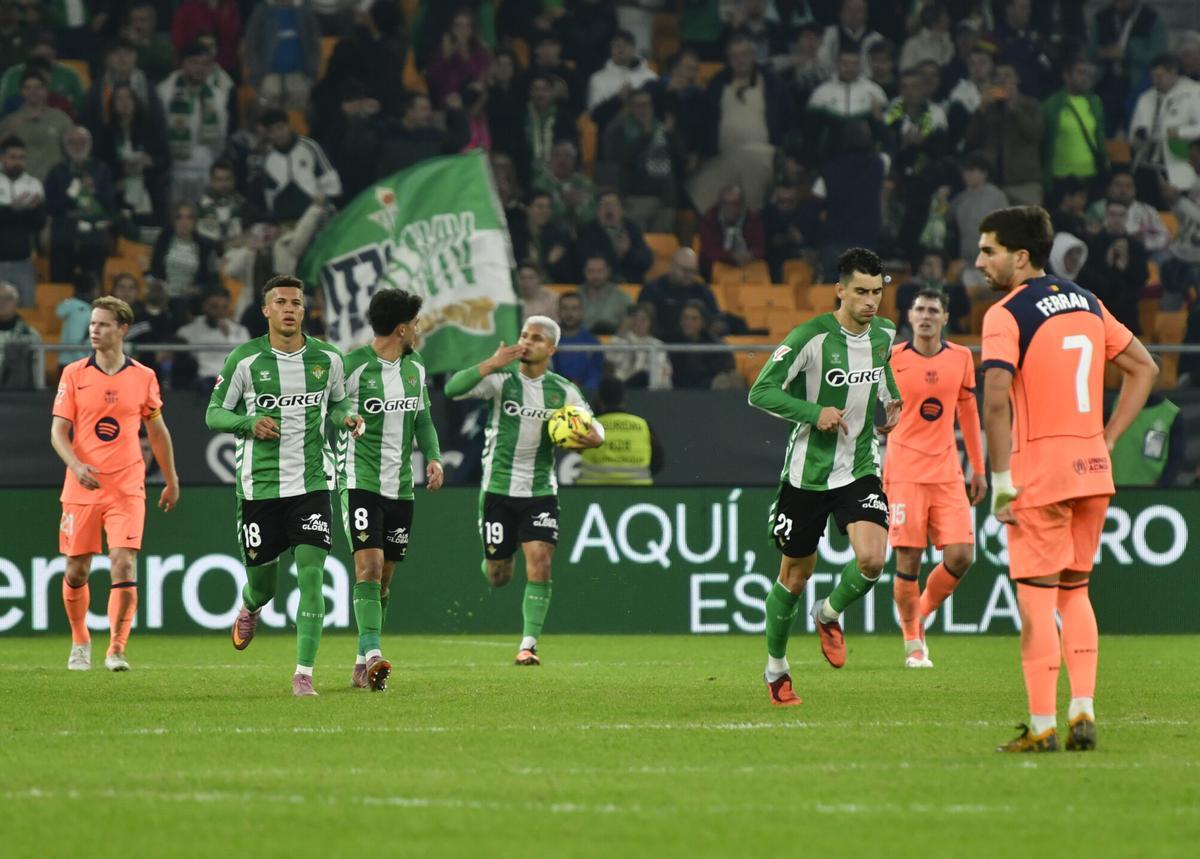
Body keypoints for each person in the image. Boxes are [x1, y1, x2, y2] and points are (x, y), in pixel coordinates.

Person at [977, 205, 1158, 751]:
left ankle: (1042, 726)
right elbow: (1144, 367)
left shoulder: (1006, 314)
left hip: (1039, 474)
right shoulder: (1087, 301)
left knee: (1036, 601)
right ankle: (1082, 709)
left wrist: (1002, 477)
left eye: (989, 251)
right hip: (1091, 471)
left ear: (1021, 256)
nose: (980, 262)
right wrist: (1106, 439)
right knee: (1075, 592)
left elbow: (994, 402)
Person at [747, 247, 902, 706]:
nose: (870, 301)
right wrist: (815, 413)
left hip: (858, 468)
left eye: (876, 292)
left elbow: (881, 375)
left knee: (873, 560)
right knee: (793, 578)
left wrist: (890, 404)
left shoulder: (885, 333)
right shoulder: (809, 338)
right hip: (806, 475)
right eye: (860, 291)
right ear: (840, 290)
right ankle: (776, 669)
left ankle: (829, 612)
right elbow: (760, 392)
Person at [205, 275, 364, 697]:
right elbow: (214, 415)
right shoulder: (244, 360)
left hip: (312, 482)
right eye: (281, 302)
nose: (290, 308)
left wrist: (347, 417)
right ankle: (251, 605)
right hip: (258, 489)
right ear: (266, 310)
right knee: (265, 585)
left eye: (296, 302)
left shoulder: (328, 358)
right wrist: (248, 423)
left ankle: (303, 674)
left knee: (312, 574)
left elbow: (338, 402)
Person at [444, 316, 605, 665]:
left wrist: (596, 437)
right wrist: (490, 364)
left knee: (541, 562)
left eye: (536, 338)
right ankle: (496, 560)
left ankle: (528, 645)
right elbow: (452, 389)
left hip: (540, 491)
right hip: (498, 489)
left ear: (551, 348)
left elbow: (593, 425)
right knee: (499, 575)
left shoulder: (563, 391)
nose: (527, 342)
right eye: (523, 335)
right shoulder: (499, 380)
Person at [50, 295, 180, 672]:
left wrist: (170, 479)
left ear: (123, 329)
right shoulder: (74, 373)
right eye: (93, 323)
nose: (94, 330)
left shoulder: (143, 376)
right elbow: (58, 431)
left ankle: (116, 649)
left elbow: (158, 431)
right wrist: (75, 465)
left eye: (103, 324)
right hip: (82, 486)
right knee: (77, 571)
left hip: (127, 486)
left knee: (123, 564)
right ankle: (80, 640)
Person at [340, 288, 443, 691]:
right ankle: (373, 654)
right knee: (367, 567)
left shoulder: (414, 368)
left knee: (384, 578)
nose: (418, 330)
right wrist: (346, 416)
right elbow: (331, 410)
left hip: (400, 487)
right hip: (359, 480)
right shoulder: (351, 367)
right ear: (401, 328)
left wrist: (433, 457)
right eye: (415, 324)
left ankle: (359, 662)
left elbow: (423, 420)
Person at [884, 287, 986, 668]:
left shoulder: (961, 358)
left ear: (945, 318)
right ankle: (913, 641)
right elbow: (866, 403)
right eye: (919, 310)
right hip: (905, 471)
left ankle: (919, 613)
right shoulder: (891, 358)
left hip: (946, 470)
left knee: (962, 555)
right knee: (908, 561)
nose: (926, 316)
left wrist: (978, 465)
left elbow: (969, 412)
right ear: (909, 317)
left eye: (933, 310)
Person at [1129, 55, 1200, 209]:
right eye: (1153, 76)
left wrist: (1180, 133)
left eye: (1160, 76)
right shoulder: (1146, 97)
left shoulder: (1194, 92)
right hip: (1146, 164)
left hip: (1177, 163)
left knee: (1177, 212)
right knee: (1144, 208)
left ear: (1173, 72)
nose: (1156, 80)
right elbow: (1133, 133)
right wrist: (1138, 136)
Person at [258, 108, 342, 223]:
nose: (278, 134)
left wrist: (324, 198)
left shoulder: (309, 147)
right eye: (272, 131)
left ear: (288, 126)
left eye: (280, 128)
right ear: (268, 134)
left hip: (317, 214)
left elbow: (330, 179)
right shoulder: (268, 160)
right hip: (287, 221)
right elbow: (270, 197)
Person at [1042, 57, 1108, 198]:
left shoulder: (1095, 102)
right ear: (1066, 76)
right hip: (1060, 176)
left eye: (1087, 73)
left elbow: (1100, 136)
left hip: (1090, 175)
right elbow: (1044, 139)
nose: (1085, 78)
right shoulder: (1052, 104)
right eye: (1080, 73)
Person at [578, 376, 662, 485]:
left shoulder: (588, 427)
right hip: (638, 494)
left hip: (593, 494)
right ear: (624, 399)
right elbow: (657, 464)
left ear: (599, 400)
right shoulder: (643, 426)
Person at [243, 0, 322, 111]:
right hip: (268, 77)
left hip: (299, 76)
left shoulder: (305, 10)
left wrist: (312, 70)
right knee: (269, 119)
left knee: (298, 121)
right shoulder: (262, 10)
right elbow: (251, 42)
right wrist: (257, 71)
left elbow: (315, 42)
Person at [0, 71, 73, 183]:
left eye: (38, 87)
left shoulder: (61, 119)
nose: (33, 92)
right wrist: (16, 125)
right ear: (21, 91)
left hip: (54, 185)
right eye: (28, 88)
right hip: (20, 185)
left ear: (46, 91)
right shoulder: (10, 120)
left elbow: (73, 151)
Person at [0, 135, 44, 307]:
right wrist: (17, 209)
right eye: (12, 157)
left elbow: (39, 223)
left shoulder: (33, 185)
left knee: (27, 309)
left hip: (23, 260)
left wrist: (9, 212)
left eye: (21, 157)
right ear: (2, 157)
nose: (17, 162)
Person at [637, 248, 718, 341]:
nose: (688, 274)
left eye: (692, 271)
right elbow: (643, 319)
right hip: (662, 343)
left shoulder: (702, 291)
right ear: (672, 266)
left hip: (695, 345)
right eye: (684, 270)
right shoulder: (653, 289)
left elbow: (714, 319)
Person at [176, 287, 250, 384]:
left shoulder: (240, 331)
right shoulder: (189, 330)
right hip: (202, 382)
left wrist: (228, 336)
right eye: (214, 307)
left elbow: (246, 359)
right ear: (204, 306)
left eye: (224, 307)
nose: (220, 312)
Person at [609, 303, 671, 390]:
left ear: (650, 323)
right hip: (623, 388)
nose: (638, 323)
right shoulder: (621, 341)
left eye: (643, 320)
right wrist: (621, 335)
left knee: (643, 376)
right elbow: (611, 362)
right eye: (635, 318)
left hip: (650, 391)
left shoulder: (657, 345)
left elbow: (662, 372)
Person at [552, 291, 602, 392]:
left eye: (574, 309)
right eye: (565, 308)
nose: (569, 314)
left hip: (586, 395)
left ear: (581, 311)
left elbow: (595, 374)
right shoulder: (549, 340)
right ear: (558, 311)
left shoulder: (592, 342)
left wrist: (582, 391)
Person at [577, 254, 632, 335]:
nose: (595, 276)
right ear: (584, 271)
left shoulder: (621, 297)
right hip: (582, 343)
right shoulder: (576, 296)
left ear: (608, 271)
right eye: (591, 271)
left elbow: (631, 317)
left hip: (614, 344)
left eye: (600, 271)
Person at [0, 280, 40, 386]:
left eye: (8, 298)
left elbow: (36, 370)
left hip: (17, 396)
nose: (2, 303)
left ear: (17, 302)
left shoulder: (31, 335)